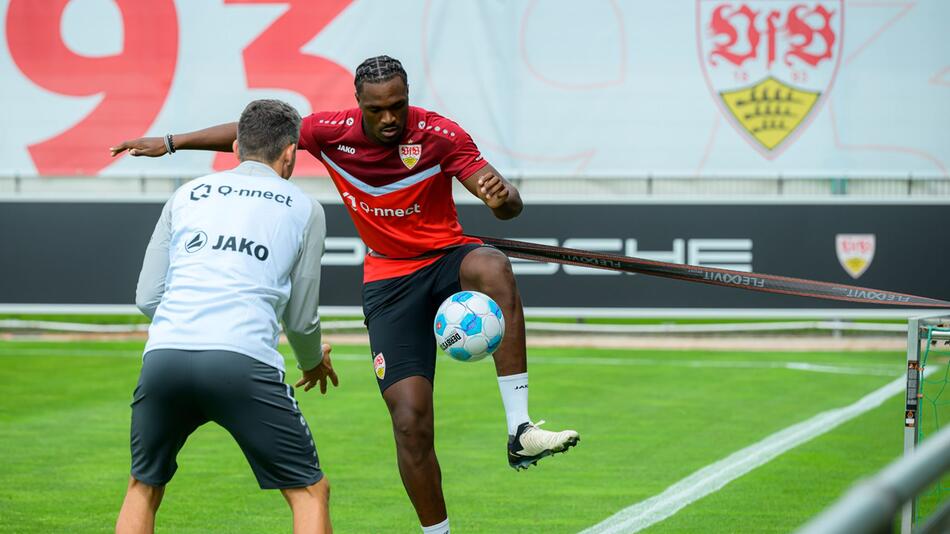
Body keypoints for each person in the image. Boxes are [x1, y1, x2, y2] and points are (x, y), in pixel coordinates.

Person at [110, 56, 578, 534]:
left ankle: (519, 429)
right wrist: (171, 143)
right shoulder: (328, 132)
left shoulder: (441, 134)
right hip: (389, 282)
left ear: (408, 97)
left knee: (493, 263)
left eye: (398, 106)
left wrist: (503, 199)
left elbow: (506, 206)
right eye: (378, 110)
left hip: (445, 260)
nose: (390, 118)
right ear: (359, 105)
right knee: (409, 422)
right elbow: (256, 133)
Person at [115, 99, 338, 534]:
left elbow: (147, 297)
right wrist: (312, 361)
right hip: (242, 362)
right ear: (290, 152)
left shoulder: (186, 194)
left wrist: (193, 316)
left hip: (165, 356)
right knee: (309, 492)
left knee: (142, 486)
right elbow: (300, 318)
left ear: (236, 146)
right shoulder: (305, 208)